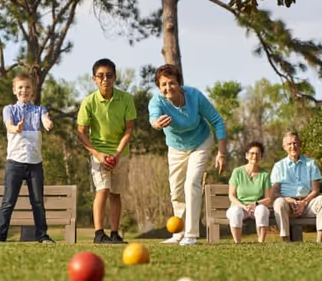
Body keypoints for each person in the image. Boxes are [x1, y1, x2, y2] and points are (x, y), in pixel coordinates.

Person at [148, 64, 227, 246]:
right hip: (176, 148)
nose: (168, 88)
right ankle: (178, 234)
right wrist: (156, 123)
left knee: (192, 183)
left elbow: (217, 120)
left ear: (179, 83)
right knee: (176, 190)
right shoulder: (157, 102)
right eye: (164, 85)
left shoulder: (194, 96)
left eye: (172, 83)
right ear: (159, 87)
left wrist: (222, 152)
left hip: (200, 141)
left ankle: (191, 235)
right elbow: (153, 118)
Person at [77, 58, 137, 244]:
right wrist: (98, 154)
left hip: (121, 153)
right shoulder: (88, 102)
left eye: (109, 76)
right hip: (99, 153)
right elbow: (81, 133)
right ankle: (98, 233)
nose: (105, 79)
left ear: (115, 77)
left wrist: (117, 154)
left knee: (116, 194)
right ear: (94, 79)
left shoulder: (126, 99)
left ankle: (114, 234)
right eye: (100, 76)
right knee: (102, 189)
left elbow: (129, 130)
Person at [0, 73, 55, 243]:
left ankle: (42, 236)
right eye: (20, 87)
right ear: (14, 90)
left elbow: (46, 119)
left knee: (37, 202)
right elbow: (9, 126)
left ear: (32, 90)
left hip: (35, 164)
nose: (24, 90)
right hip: (15, 163)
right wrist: (16, 128)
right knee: (8, 202)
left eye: (27, 87)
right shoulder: (9, 110)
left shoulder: (39, 110)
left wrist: (48, 123)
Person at [271, 131, 322, 242]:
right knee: (279, 203)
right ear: (284, 147)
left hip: (308, 203)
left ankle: (319, 242)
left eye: (295, 143)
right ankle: (286, 242)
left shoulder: (311, 164)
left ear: (300, 144)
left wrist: (304, 202)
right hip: (288, 205)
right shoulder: (279, 166)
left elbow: (316, 190)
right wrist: (288, 200)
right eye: (289, 144)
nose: (293, 146)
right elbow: (274, 192)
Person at [226, 142, 271, 244]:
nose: (254, 156)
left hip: (256, 207)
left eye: (257, 154)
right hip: (239, 207)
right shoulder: (237, 172)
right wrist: (243, 206)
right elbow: (231, 195)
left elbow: (268, 198)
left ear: (261, 157)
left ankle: (261, 242)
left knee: (262, 210)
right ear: (246, 155)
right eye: (252, 153)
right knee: (235, 212)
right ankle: (238, 243)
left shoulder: (265, 175)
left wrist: (255, 204)